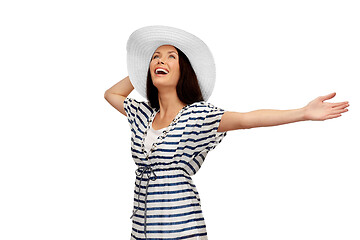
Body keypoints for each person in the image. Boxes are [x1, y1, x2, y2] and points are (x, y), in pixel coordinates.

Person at [104, 25, 349, 240]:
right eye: (155, 57)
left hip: (180, 226)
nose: (160, 61)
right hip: (142, 226)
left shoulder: (198, 115)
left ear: (184, 71)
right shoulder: (143, 115)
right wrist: (141, 67)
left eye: (171, 57)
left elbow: (246, 119)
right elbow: (112, 94)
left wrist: (302, 112)